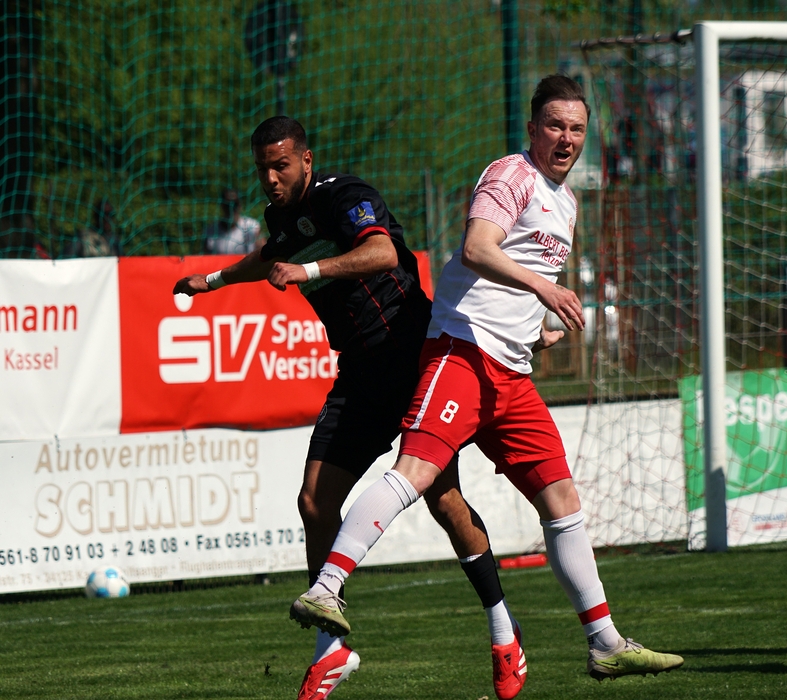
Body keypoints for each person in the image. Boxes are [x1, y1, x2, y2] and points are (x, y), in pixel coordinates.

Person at [287, 75, 684, 698]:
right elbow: (477, 248)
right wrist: (546, 288)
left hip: (511, 375)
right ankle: (327, 588)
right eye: (555, 126)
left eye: (577, 129)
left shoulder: (567, 202)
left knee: (562, 500)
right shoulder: (511, 175)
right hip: (462, 355)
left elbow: (514, 285)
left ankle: (605, 643)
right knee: (417, 474)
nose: (567, 138)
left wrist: (536, 332)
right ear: (532, 129)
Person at [172, 116, 509, 700]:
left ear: (306, 160)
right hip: (359, 372)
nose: (271, 179)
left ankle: (505, 633)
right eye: (262, 169)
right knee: (315, 501)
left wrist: (308, 270)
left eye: (280, 166)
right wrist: (214, 280)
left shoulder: (344, 195)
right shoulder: (280, 219)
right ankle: (331, 651)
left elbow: (381, 252)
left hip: (410, 355)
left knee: (444, 499)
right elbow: (269, 255)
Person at [202, 187, 264, 254]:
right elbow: (205, 256)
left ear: (240, 206)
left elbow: (263, 252)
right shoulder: (211, 231)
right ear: (222, 205)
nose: (231, 208)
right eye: (227, 205)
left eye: (235, 204)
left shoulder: (252, 227)